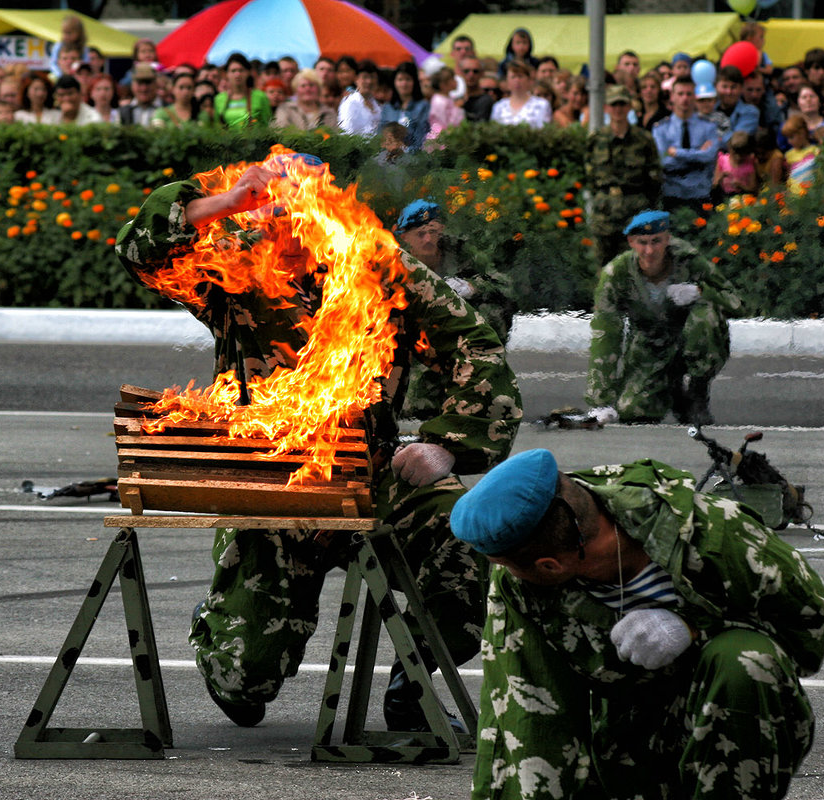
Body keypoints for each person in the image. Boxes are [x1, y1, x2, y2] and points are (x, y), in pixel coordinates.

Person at [114, 148, 523, 731]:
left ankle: (414, 681)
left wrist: (448, 444)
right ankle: (227, 639)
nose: (286, 212)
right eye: (270, 201)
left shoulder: (382, 267)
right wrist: (219, 204)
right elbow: (140, 251)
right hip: (271, 484)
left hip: (371, 475)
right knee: (242, 683)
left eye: (300, 196)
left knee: (473, 530)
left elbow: (475, 345)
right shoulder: (235, 268)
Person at [449, 448, 824, 800]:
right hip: (619, 747)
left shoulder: (715, 535)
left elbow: (809, 630)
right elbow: (526, 722)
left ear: (549, 566)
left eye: (500, 565)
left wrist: (693, 629)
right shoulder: (521, 589)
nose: (500, 574)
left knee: (745, 660)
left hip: (728, 728)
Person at [585, 210, 744, 426]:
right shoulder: (617, 275)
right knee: (633, 411)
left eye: (656, 241)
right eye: (642, 242)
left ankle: (697, 392)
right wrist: (601, 401)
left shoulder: (688, 260)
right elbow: (605, 334)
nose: (649, 251)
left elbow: (736, 302)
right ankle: (674, 392)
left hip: (690, 337)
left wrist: (700, 292)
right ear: (631, 242)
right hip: (651, 347)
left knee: (705, 316)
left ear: (667, 239)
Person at [393, 199, 517, 347]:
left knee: (490, 309)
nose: (428, 239)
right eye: (420, 234)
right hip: (421, 335)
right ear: (404, 237)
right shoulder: (397, 265)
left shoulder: (460, 251)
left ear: (441, 229)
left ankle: (484, 359)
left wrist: (471, 287)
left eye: (432, 232)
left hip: (464, 331)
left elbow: (504, 285)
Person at [585, 86, 663, 265]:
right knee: (602, 266)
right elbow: (590, 176)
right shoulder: (596, 139)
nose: (618, 109)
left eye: (622, 104)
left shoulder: (643, 139)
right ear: (606, 108)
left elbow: (654, 177)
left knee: (635, 265)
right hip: (605, 212)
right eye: (613, 105)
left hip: (634, 210)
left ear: (629, 107)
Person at [652, 77, 718, 214]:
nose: (685, 98)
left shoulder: (709, 127)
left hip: (700, 193)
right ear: (672, 97)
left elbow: (709, 156)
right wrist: (697, 154)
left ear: (695, 97)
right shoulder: (661, 129)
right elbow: (664, 161)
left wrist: (677, 153)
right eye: (680, 94)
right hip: (672, 193)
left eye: (689, 94)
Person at [378, 61, 429, 150]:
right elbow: (380, 135)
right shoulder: (387, 108)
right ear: (394, 82)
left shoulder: (423, 106)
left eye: (408, 79)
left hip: (413, 158)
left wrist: (404, 150)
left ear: (414, 82)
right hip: (387, 158)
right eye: (400, 79)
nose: (404, 84)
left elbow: (421, 139)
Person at [490, 59, 550, 129]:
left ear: (529, 80)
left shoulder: (541, 104)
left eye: (520, 76)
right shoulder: (499, 106)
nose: (517, 80)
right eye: (513, 77)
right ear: (507, 80)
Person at [336, 59, 381, 136]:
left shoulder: (377, 105)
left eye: (373, 77)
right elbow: (346, 133)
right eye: (365, 77)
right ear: (356, 79)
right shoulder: (350, 103)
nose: (369, 81)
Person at [714, 65, 759, 136]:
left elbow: (736, 141)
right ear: (716, 87)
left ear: (741, 88)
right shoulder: (709, 110)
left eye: (733, 87)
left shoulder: (750, 112)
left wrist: (712, 139)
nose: (729, 92)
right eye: (724, 86)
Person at [713, 130, 759, 199]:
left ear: (747, 152)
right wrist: (722, 176)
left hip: (744, 199)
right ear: (730, 149)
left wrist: (741, 186)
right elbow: (714, 184)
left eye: (742, 154)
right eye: (735, 154)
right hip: (724, 198)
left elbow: (754, 189)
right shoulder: (722, 160)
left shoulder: (749, 164)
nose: (738, 157)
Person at [782, 114, 820, 193]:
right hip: (795, 197)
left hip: (813, 195)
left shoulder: (815, 150)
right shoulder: (788, 155)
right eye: (787, 138)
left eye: (791, 137)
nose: (789, 141)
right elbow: (788, 177)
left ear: (802, 133)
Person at [458, 57, 493, 122]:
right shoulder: (454, 97)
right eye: (466, 71)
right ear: (460, 72)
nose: (471, 75)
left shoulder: (486, 100)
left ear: (482, 73)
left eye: (475, 71)